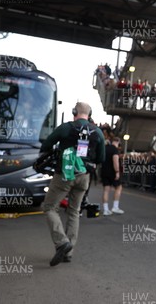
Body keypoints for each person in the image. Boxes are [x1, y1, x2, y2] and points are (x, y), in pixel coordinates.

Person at [41, 102, 105, 266]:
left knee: (49, 207)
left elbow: (46, 145)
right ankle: (68, 252)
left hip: (64, 174)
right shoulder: (97, 132)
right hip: (84, 176)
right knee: (74, 211)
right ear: (89, 115)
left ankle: (62, 242)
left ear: (74, 112)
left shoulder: (66, 128)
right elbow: (100, 159)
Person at [101, 137, 125, 216]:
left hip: (104, 171)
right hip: (112, 172)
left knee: (106, 190)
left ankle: (106, 209)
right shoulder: (115, 150)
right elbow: (115, 161)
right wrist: (117, 172)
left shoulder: (105, 148)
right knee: (118, 187)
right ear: (118, 142)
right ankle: (115, 207)